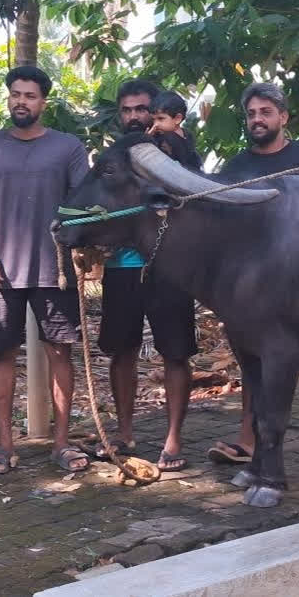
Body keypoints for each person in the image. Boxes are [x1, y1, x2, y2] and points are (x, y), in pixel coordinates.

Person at [210, 82, 299, 477]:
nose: (257, 120)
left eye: (265, 112)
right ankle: (247, 442)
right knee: (253, 360)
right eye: (251, 114)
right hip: (255, 287)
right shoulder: (236, 169)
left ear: (283, 117)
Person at [0, 66, 91, 475]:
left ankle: (61, 444)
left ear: (43, 102)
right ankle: (3, 445)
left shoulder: (68, 147)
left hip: (55, 269)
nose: (21, 102)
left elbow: (82, 203)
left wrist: (84, 249)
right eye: (15, 94)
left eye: (30, 96)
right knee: (3, 353)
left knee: (60, 352)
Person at [95, 82, 201, 471]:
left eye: (144, 110)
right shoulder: (111, 158)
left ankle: (173, 440)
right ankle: (124, 434)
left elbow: (195, 192)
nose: (136, 117)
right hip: (121, 267)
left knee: (175, 352)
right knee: (121, 351)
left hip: (170, 267)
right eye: (127, 110)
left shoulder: (179, 149)